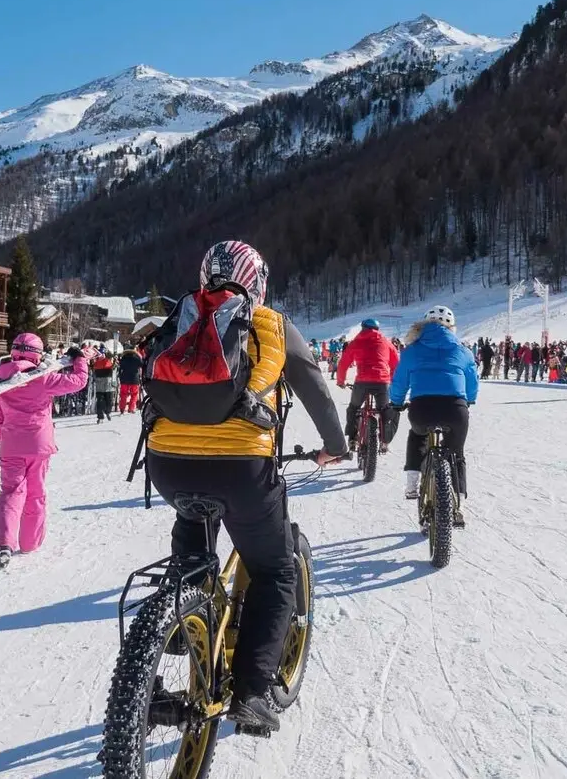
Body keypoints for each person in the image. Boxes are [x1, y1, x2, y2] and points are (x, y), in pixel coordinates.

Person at [143, 241, 345, 733]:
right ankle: (253, 692)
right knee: (275, 569)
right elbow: (314, 388)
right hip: (241, 468)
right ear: (257, 280)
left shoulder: (180, 316)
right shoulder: (269, 322)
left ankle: (178, 623)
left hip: (167, 463)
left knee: (191, 534)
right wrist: (334, 444)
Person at [0, 333, 94, 569]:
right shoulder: (42, 379)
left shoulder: (0, 379)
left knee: (11, 492)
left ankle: (3, 542)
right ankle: (29, 542)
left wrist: (0, 440)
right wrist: (79, 359)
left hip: (11, 444)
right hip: (38, 444)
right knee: (35, 493)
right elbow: (78, 381)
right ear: (36, 354)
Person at [390, 305, 478, 522]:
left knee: (417, 434)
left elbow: (400, 381)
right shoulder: (463, 351)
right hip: (455, 409)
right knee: (456, 454)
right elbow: (472, 381)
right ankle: (458, 504)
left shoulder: (411, 350)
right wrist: (470, 399)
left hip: (422, 408)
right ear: (452, 327)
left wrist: (396, 402)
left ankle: (412, 482)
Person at [336, 318, 400, 454]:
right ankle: (384, 442)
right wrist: (393, 379)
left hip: (362, 382)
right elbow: (396, 363)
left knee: (353, 408)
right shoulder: (385, 341)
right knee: (384, 410)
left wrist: (341, 381)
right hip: (382, 382)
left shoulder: (356, 341)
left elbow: (344, 363)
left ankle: (353, 438)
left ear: (363, 328)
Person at [92, 350, 119, 422]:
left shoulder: (97, 363)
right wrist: (115, 360)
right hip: (108, 386)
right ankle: (106, 413)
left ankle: (101, 416)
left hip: (101, 386)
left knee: (101, 402)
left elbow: (113, 367)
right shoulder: (106, 362)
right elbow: (114, 368)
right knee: (108, 401)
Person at [116, 346, 143, 414]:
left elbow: (120, 367)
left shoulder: (123, 358)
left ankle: (122, 408)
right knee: (134, 394)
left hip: (124, 378)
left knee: (123, 394)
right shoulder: (137, 358)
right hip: (134, 378)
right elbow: (142, 364)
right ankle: (131, 408)